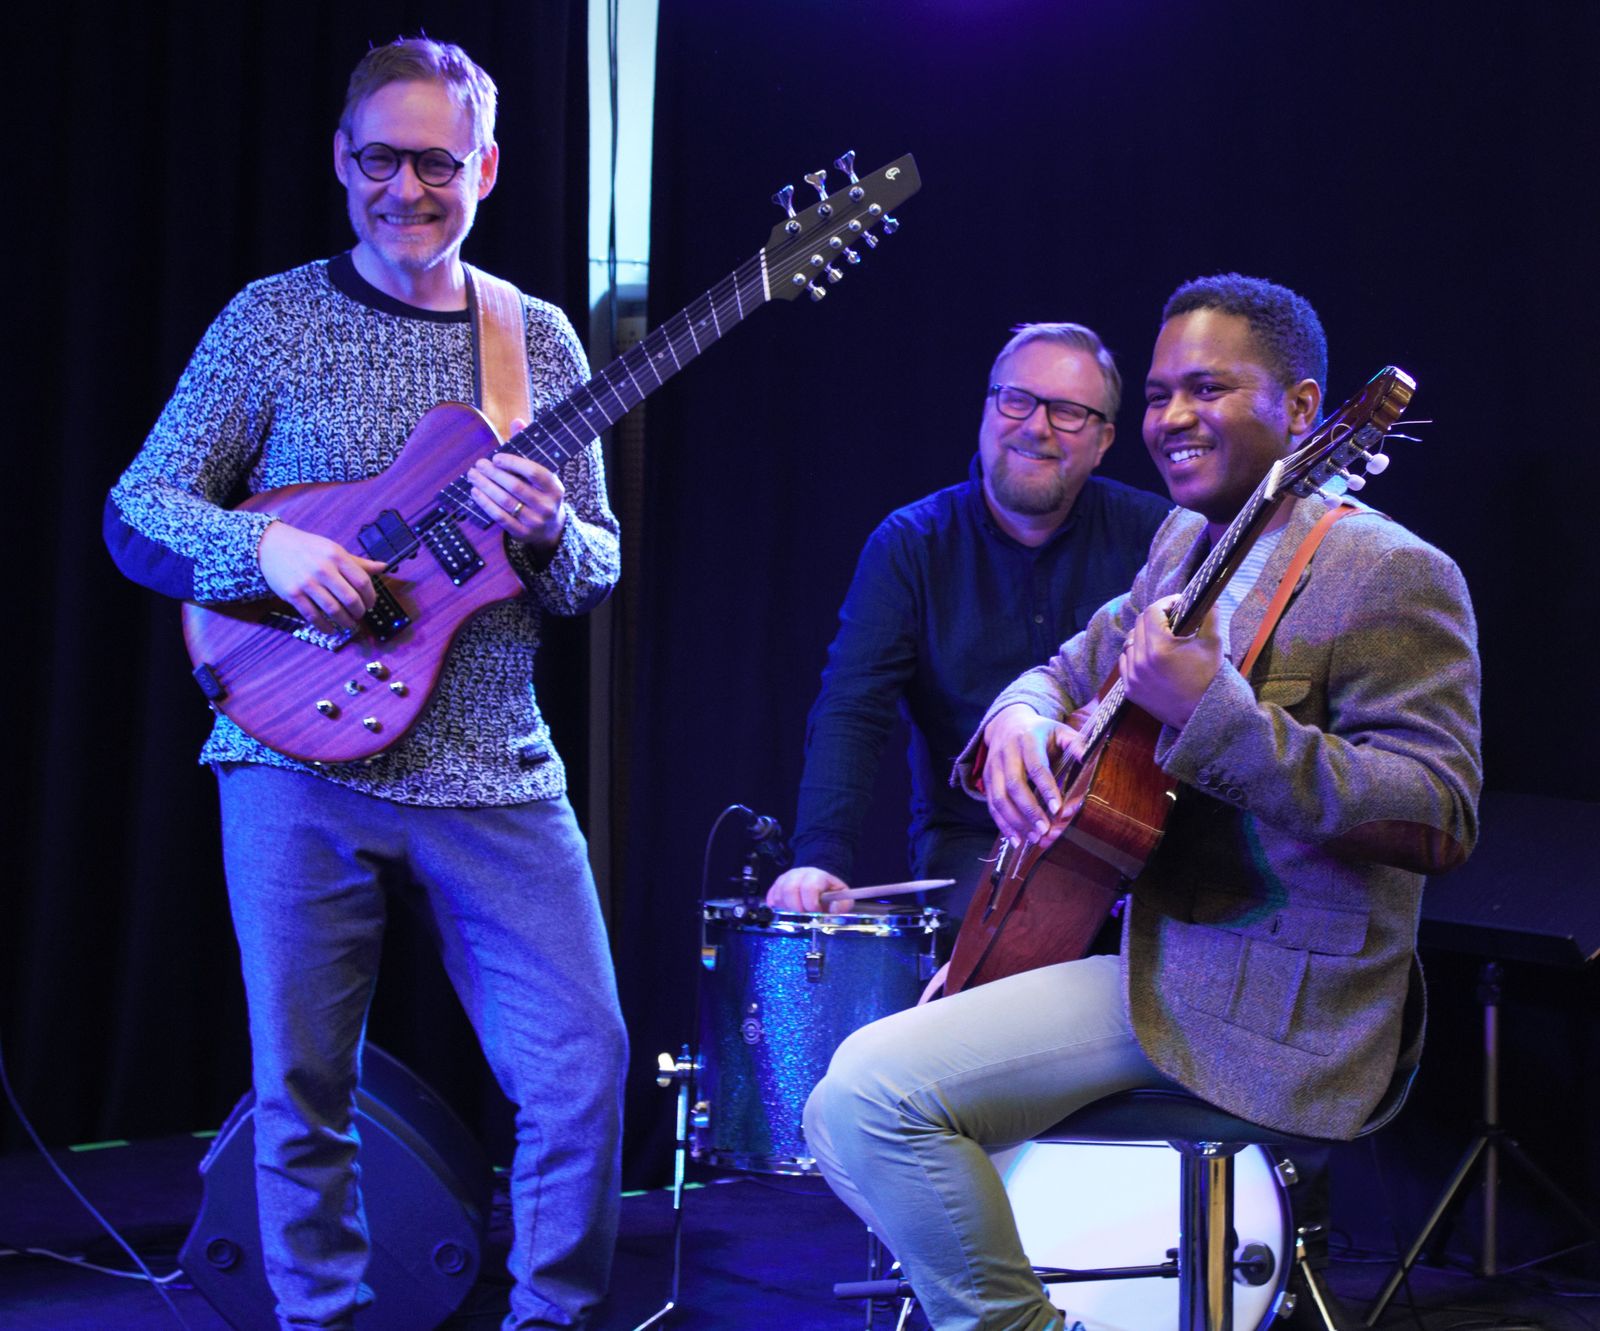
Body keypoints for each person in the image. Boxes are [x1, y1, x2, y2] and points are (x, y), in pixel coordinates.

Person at [801, 274, 1482, 1331]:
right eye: (1160, 393)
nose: (1170, 418)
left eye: (1207, 389)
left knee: (873, 1099)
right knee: (841, 1113)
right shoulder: (1186, 542)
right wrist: (1020, 718)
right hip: (1146, 957)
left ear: (1303, 408)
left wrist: (1211, 714)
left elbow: (1438, 812)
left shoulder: (1389, 572)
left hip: (1276, 998)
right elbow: (1063, 669)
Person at [103, 38, 624, 1331]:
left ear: (484, 169)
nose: (407, 188)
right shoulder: (272, 317)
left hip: (489, 764)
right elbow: (139, 505)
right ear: (342, 161)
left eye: (437, 163)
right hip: (290, 752)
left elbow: (594, 569)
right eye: (381, 159)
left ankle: (551, 1318)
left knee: (581, 1067)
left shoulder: (535, 339)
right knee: (302, 1086)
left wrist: (552, 527)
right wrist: (270, 551)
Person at [767, 323, 1169, 926]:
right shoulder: (910, 544)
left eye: (1067, 412)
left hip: (1133, 831)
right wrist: (820, 858)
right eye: (1017, 400)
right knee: (998, 953)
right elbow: (853, 710)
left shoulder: (1158, 533)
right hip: (976, 841)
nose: (1036, 427)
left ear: (1104, 439)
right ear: (987, 409)